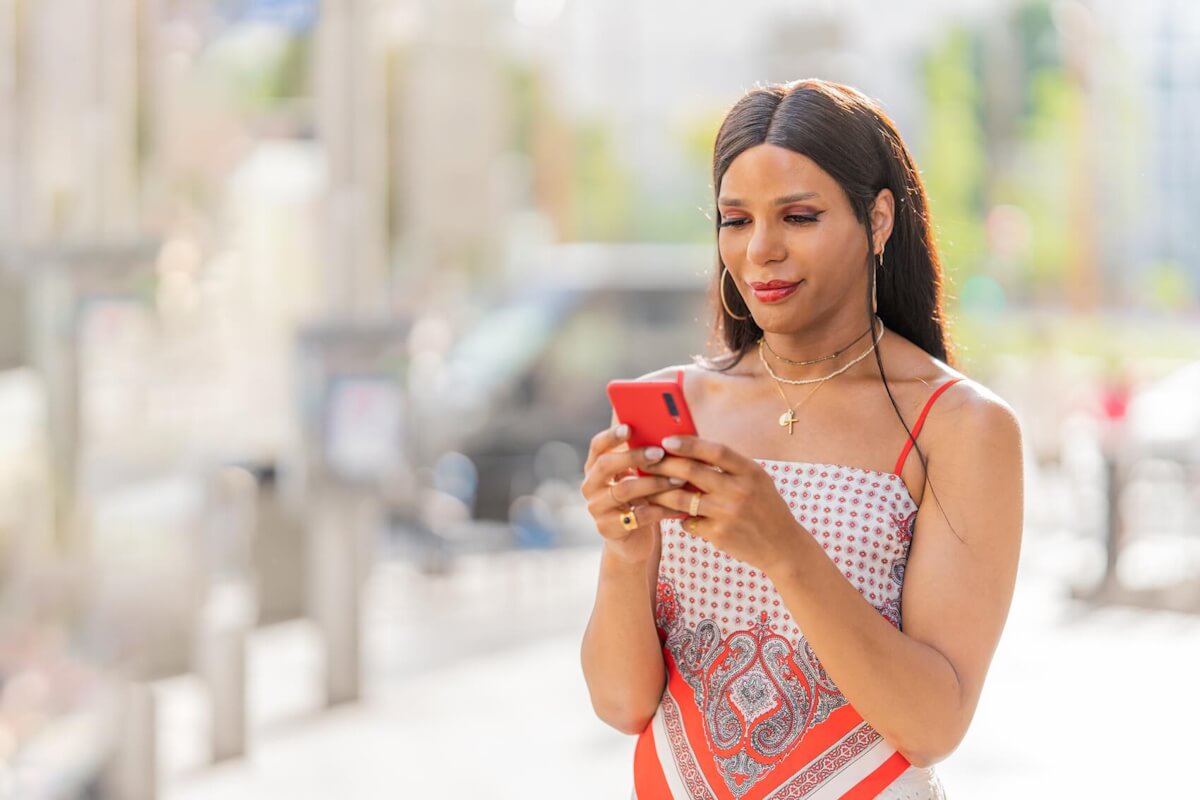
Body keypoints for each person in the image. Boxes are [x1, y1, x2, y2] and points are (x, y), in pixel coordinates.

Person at [579, 79, 1024, 799]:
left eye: (799, 216)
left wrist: (784, 548)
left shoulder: (957, 425)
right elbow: (622, 704)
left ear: (878, 219)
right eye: (735, 219)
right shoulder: (675, 407)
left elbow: (932, 724)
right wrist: (626, 551)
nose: (761, 250)